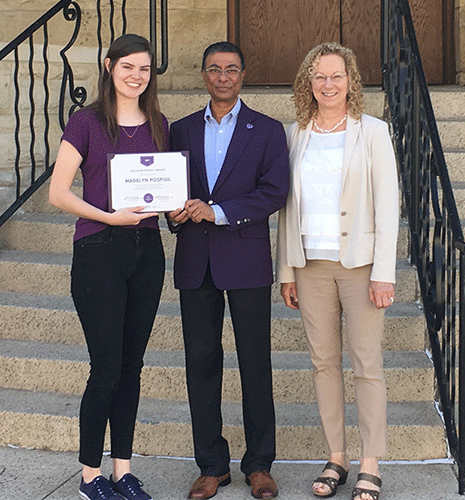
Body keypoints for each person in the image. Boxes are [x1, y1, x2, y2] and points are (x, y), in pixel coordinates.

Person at [276, 42, 399, 500]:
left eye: (337, 76)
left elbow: (388, 208)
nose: (329, 85)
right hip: (310, 264)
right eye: (320, 77)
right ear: (308, 83)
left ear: (351, 82)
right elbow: (287, 208)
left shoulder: (372, 132)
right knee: (322, 362)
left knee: (366, 363)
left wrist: (383, 271)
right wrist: (286, 269)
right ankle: (337, 457)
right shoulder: (296, 134)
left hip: (361, 267)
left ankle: (370, 462)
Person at [167, 41, 289, 499]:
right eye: (214, 69)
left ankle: (259, 464)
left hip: (247, 259)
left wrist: (216, 211)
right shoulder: (178, 131)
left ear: (243, 75)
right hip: (196, 262)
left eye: (231, 69)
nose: (223, 77)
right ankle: (212, 466)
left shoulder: (267, 130)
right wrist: (173, 214)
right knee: (200, 363)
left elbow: (274, 193)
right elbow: (168, 191)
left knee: (255, 363)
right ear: (203, 74)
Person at [49, 34, 167, 500]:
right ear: (109, 66)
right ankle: (89, 476)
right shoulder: (86, 122)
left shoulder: (159, 123)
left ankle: (123, 471)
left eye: (144, 69)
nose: (136, 76)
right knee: (106, 367)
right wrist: (108, 216)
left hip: (147, 251)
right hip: (99, 249)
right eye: (128, 67)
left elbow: (164, 185)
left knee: (132, 366)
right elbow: (59, 193)